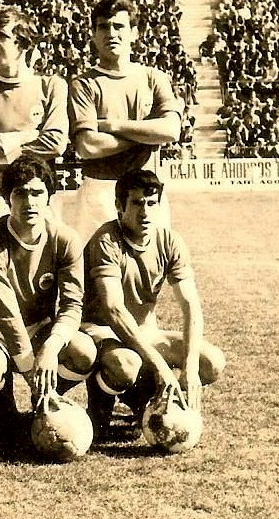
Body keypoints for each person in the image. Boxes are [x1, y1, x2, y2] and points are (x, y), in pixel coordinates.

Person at [81, 169, 225, 439]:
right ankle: (102, 404)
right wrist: (159, 364)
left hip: (144, 331)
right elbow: (113, 310)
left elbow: (190, 306)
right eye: (136, 203)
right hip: (102, 331)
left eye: (152, 203)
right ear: (118, 206)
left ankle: (148, 403)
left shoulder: (169, 240)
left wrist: (190, 369)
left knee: (211, 362)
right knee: (125, 365)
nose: (145, 212)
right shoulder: (106, 240)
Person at [0, 157, 94, 446]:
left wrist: (51, 346)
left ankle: (45, 403)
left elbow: (73, 306)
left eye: (37, 193)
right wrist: (30, 369)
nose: (29, 202)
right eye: (20, 193)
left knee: (83, 352)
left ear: (49, 196)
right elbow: (5, 314)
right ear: (7, 198)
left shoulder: (65, 239)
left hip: (38, 328)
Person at [67, 0, 182, 244]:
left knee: (147, 273)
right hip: (100, 191)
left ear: (134, 32)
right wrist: (147, 137)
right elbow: (88, 146)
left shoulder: (153, 78)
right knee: (95, 274)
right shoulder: (83, 84)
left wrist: (113, 125)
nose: (111, 33)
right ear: (94, 35)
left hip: (147, 191)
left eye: (119, 26)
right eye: (103, 27)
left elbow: (172, 130)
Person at [0, 8, 68, 226]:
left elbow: (55, 143)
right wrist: (25, 137)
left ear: (23, 43)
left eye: (2, 36)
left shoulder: (51, 86)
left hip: (38, 199)